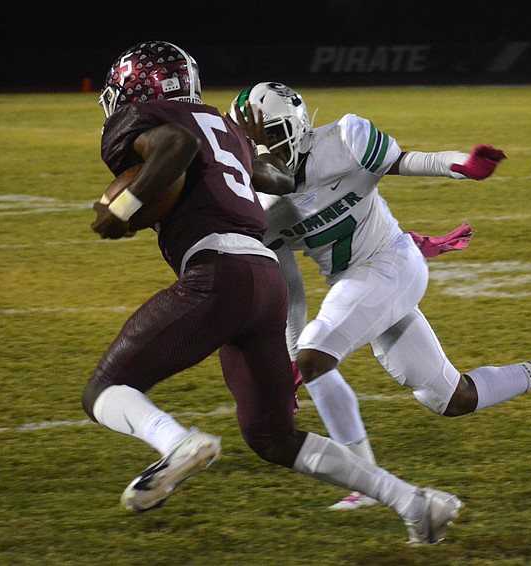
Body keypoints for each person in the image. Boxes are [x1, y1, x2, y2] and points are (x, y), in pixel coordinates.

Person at [81, 42, 463, 545]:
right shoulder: (221, 124)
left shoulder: (144, 119)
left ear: (140, 87)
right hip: (265, 279)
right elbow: (280, 178)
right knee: (272, 438)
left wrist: (127, 205)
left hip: (217, 272)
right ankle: (414, 503)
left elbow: (175, 145)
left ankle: (176, 444)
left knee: (104, 391)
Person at [227, 82, 531, 510]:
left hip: (392, 262)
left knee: (316, 356)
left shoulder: (344, 139)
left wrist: (462, 166)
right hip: (355, 284)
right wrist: (288, 357)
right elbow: (290, 287)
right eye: (249, 138)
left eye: (268, 134)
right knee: (452, 398)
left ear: (298, 128)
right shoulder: (258, 204)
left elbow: (407, 160)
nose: (260, 146)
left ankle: (367, 486)